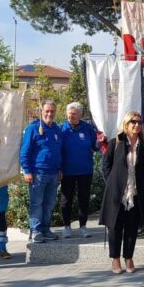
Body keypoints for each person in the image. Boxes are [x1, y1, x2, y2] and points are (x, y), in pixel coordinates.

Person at [99, 111, 144, 274]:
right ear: (126, 124)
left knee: (132, 227)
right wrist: (112, 183)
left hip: (135, 192)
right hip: (117, 193)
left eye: (139, 122)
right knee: (114, 226)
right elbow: (105, 165)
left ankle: (129, 257)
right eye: (133, 122)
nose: (136, 125)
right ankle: (115, 258)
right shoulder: (116, 142)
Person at [20, 100, 63, 244]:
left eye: (52, 111)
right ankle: (36, 231)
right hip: (38, 173)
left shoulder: (56, 129)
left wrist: (60, 168)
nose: (49, 114)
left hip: (53, 173)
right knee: (37, 203)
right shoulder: (33, 129)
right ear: (41, 112)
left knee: (49, 203)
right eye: (47, 111)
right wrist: (27, 171)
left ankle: (45, 229)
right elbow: (25, 151)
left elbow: (59, 151)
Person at [60, 102, 99, 238]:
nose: (72, 116)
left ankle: (83, 226)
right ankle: (66, 227)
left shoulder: (88, 128)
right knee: (66, 200)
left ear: (81, 115)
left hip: (85, 170)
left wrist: (100, 141)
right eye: (70, 114)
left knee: (84, 199)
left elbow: (96, 146)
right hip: (67, 171)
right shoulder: (61, 129)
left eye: (75, 114)